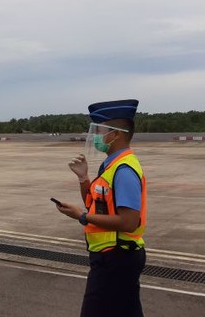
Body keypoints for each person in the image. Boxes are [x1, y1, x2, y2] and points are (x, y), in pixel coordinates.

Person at [56, 99, 147, 317]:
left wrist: (83, 217)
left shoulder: (124, 170)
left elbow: (129, 221)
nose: (95, 135)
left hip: (117, 257)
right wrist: (83, 178)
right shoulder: (111, 165)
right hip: (112, 256)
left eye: (99, 130)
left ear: (115, 134)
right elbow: (96, 202)